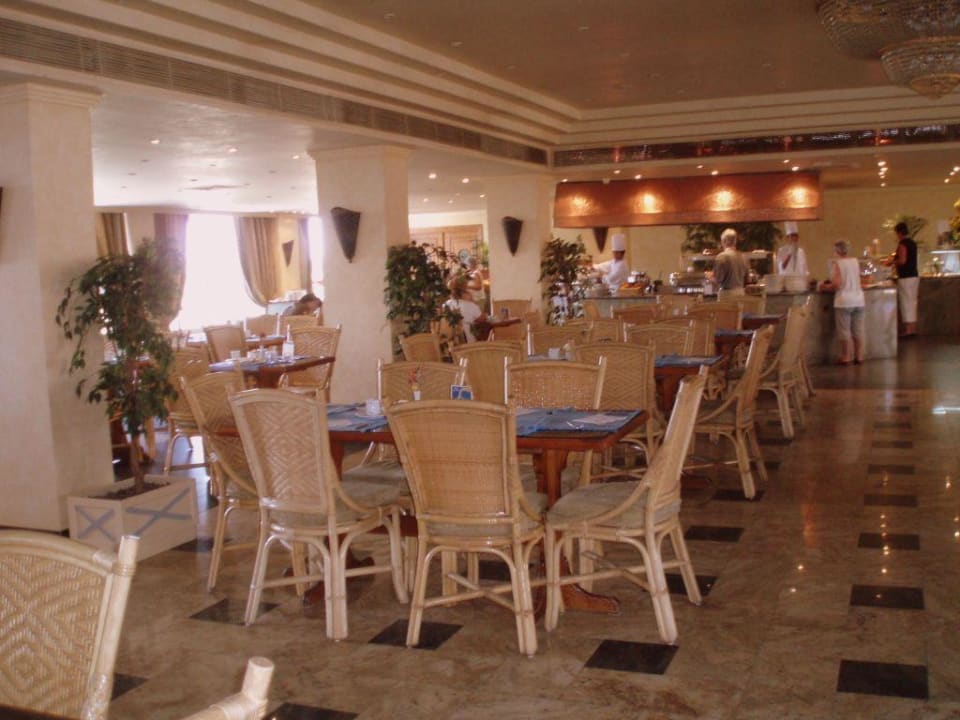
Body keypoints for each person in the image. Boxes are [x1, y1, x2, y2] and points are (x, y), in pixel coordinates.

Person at [823, 239, 865, 365]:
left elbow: (836, 284)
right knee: (858, 330)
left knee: (844, 330)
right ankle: (859, 356)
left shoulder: (838, 263)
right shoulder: (855, 261)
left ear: (837, 251)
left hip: (844, 300)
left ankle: (846, 356)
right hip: (859, 299)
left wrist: (824, 287)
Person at [889, 221, 919, 338]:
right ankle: (913, 328)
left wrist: (892, 262)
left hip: (906, 277)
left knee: (906, 302)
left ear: (899, 232)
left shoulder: (903, 244)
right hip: (914, 276)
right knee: (912, 302)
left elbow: (902, 260)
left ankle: (908, 329)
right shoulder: (913, 243)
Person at [444, 278, 486, 342]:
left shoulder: (446, 304)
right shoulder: (470, 305)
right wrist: (472, 300)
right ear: (464, 290)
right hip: (468, 342)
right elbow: (482, 319)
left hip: (451, 342)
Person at [712, 227, 749, 296]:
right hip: (741, 293)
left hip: (726, 294)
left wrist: (710, 277)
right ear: (735, 241)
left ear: (724, 241)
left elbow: (718, 280)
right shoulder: (743, 257)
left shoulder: (721, 257)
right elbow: (747, 279)